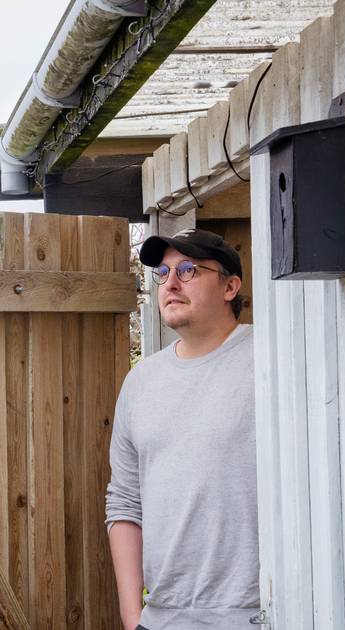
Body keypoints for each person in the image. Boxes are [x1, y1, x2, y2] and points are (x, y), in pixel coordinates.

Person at [105, 228, 258, 629]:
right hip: (161, 620)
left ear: (230, 286)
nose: (170, 283)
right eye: (163, 272)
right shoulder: (141, 382)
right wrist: (132, 617)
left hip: (252, 616)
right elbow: (124, 502)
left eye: (189, 270)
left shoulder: (269, 360)